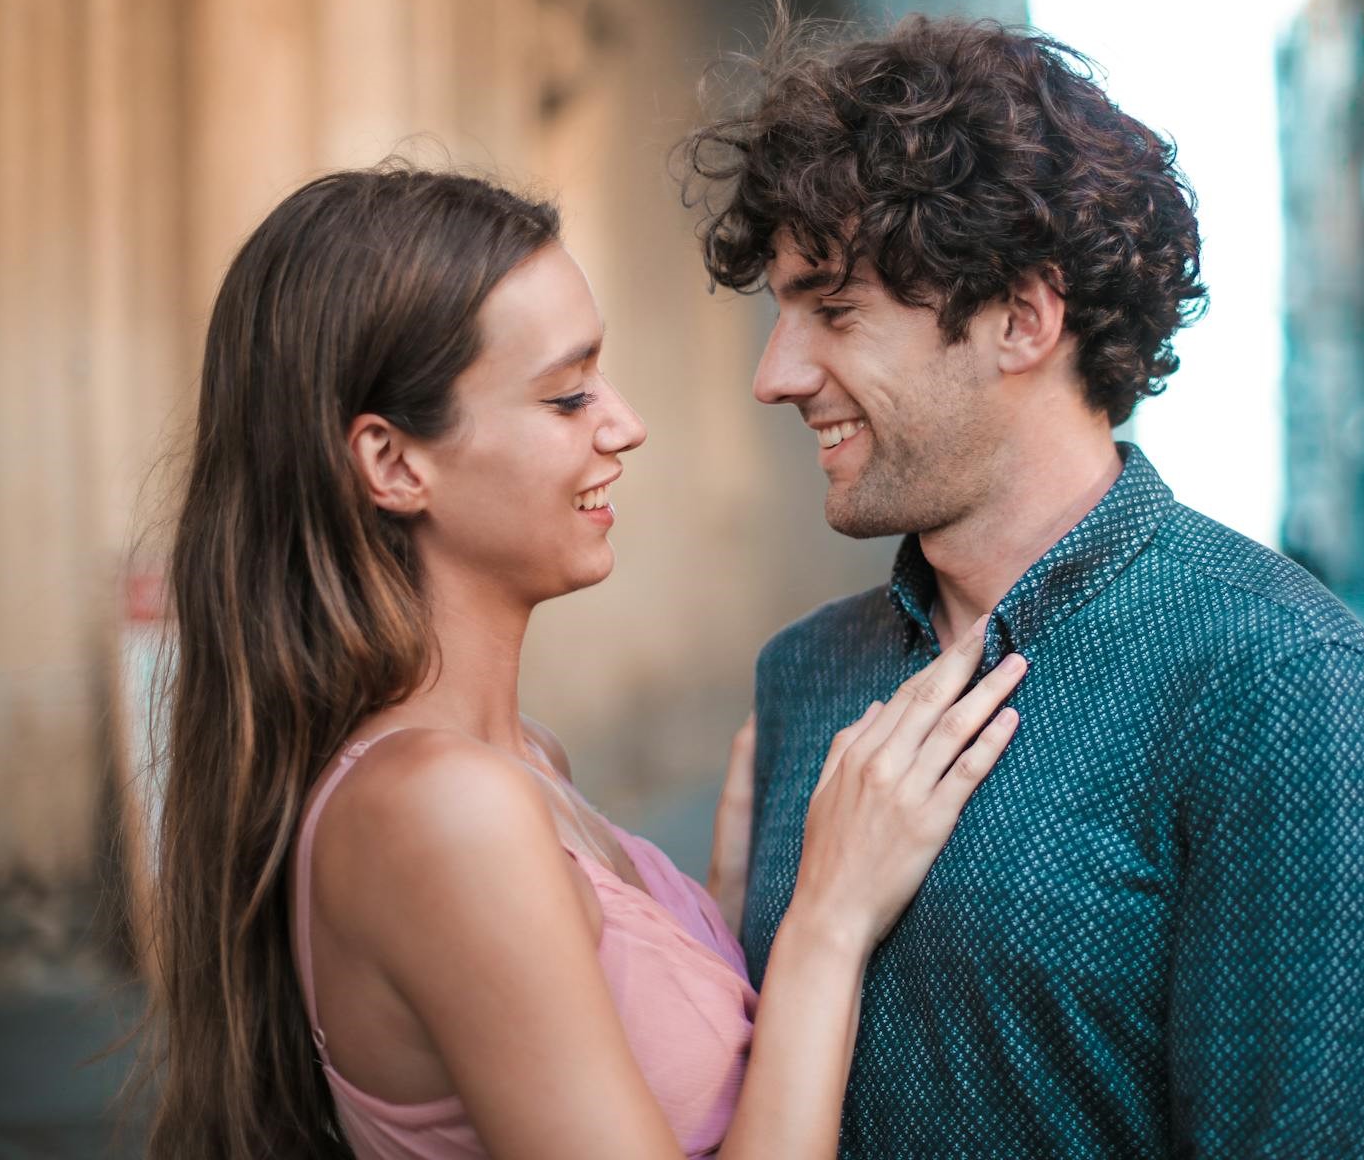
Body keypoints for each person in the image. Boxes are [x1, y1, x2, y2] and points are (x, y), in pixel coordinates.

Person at [136, 164, 1030, 1159]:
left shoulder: (526, 762)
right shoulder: (439, 808)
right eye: (567, 395)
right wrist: (827, 918)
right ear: (394, 463)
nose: (624, 423)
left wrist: (719, 918)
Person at [682, 8, 1364, 1157]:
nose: (775, 375)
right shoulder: (804, 675)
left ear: (1022, 318)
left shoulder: (1283, 685)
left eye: (833, 310)